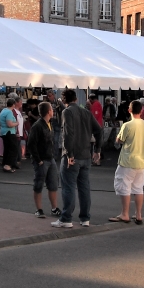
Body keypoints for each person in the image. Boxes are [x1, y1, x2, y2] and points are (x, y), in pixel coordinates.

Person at [52, 89, 103, 229]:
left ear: (64, 100)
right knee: (84, 187)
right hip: (86, 154)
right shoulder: (86, 112)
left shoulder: (67, 112)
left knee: (68, 187)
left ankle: (66, 218)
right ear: (75, 98)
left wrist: (69, 154)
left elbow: (68, 133)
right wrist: (97, 149)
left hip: (73, 155)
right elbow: (99, 130)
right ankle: (85, 218)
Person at [109, 100, 144, 225]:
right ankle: (138, 214)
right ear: (141, 111)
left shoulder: (127, 125)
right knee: (138, 188)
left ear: (129, 110)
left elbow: (119, 140)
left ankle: (125, 214)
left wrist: (118, 138)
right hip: (141, 160)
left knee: (124, 187)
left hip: (127, 160)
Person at [26, 101, 61, 218]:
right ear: (48, 111)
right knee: (39, 184)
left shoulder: (49, 123)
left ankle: (54, 208)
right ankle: (39, 209)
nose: (53, 111)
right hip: (42, 159)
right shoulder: (38, 126)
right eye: (52, 109)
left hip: (50, 158)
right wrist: (38, 159)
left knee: (53, 184)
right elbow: (31, 144)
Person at [0, 98, 19, 173]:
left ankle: (5, 163)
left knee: (7, 149)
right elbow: (9, 124)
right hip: (9, 132)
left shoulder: (3, 110)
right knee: (13, 149)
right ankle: (8, 165)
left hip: (4, 132)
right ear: (13, 104)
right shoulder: (9, 112)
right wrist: (17, 123)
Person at [45, 90, 64, 160]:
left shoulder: (58, 102)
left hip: (56, 122)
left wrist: (60, 104)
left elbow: (64, 109)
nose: (49, 97)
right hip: (49, 122)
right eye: (48, 96)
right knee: (50, 139)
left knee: (55, 140)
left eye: (50, 96)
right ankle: (50, 154)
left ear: (53, 95)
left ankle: (55, 155)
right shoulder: (47, 103)